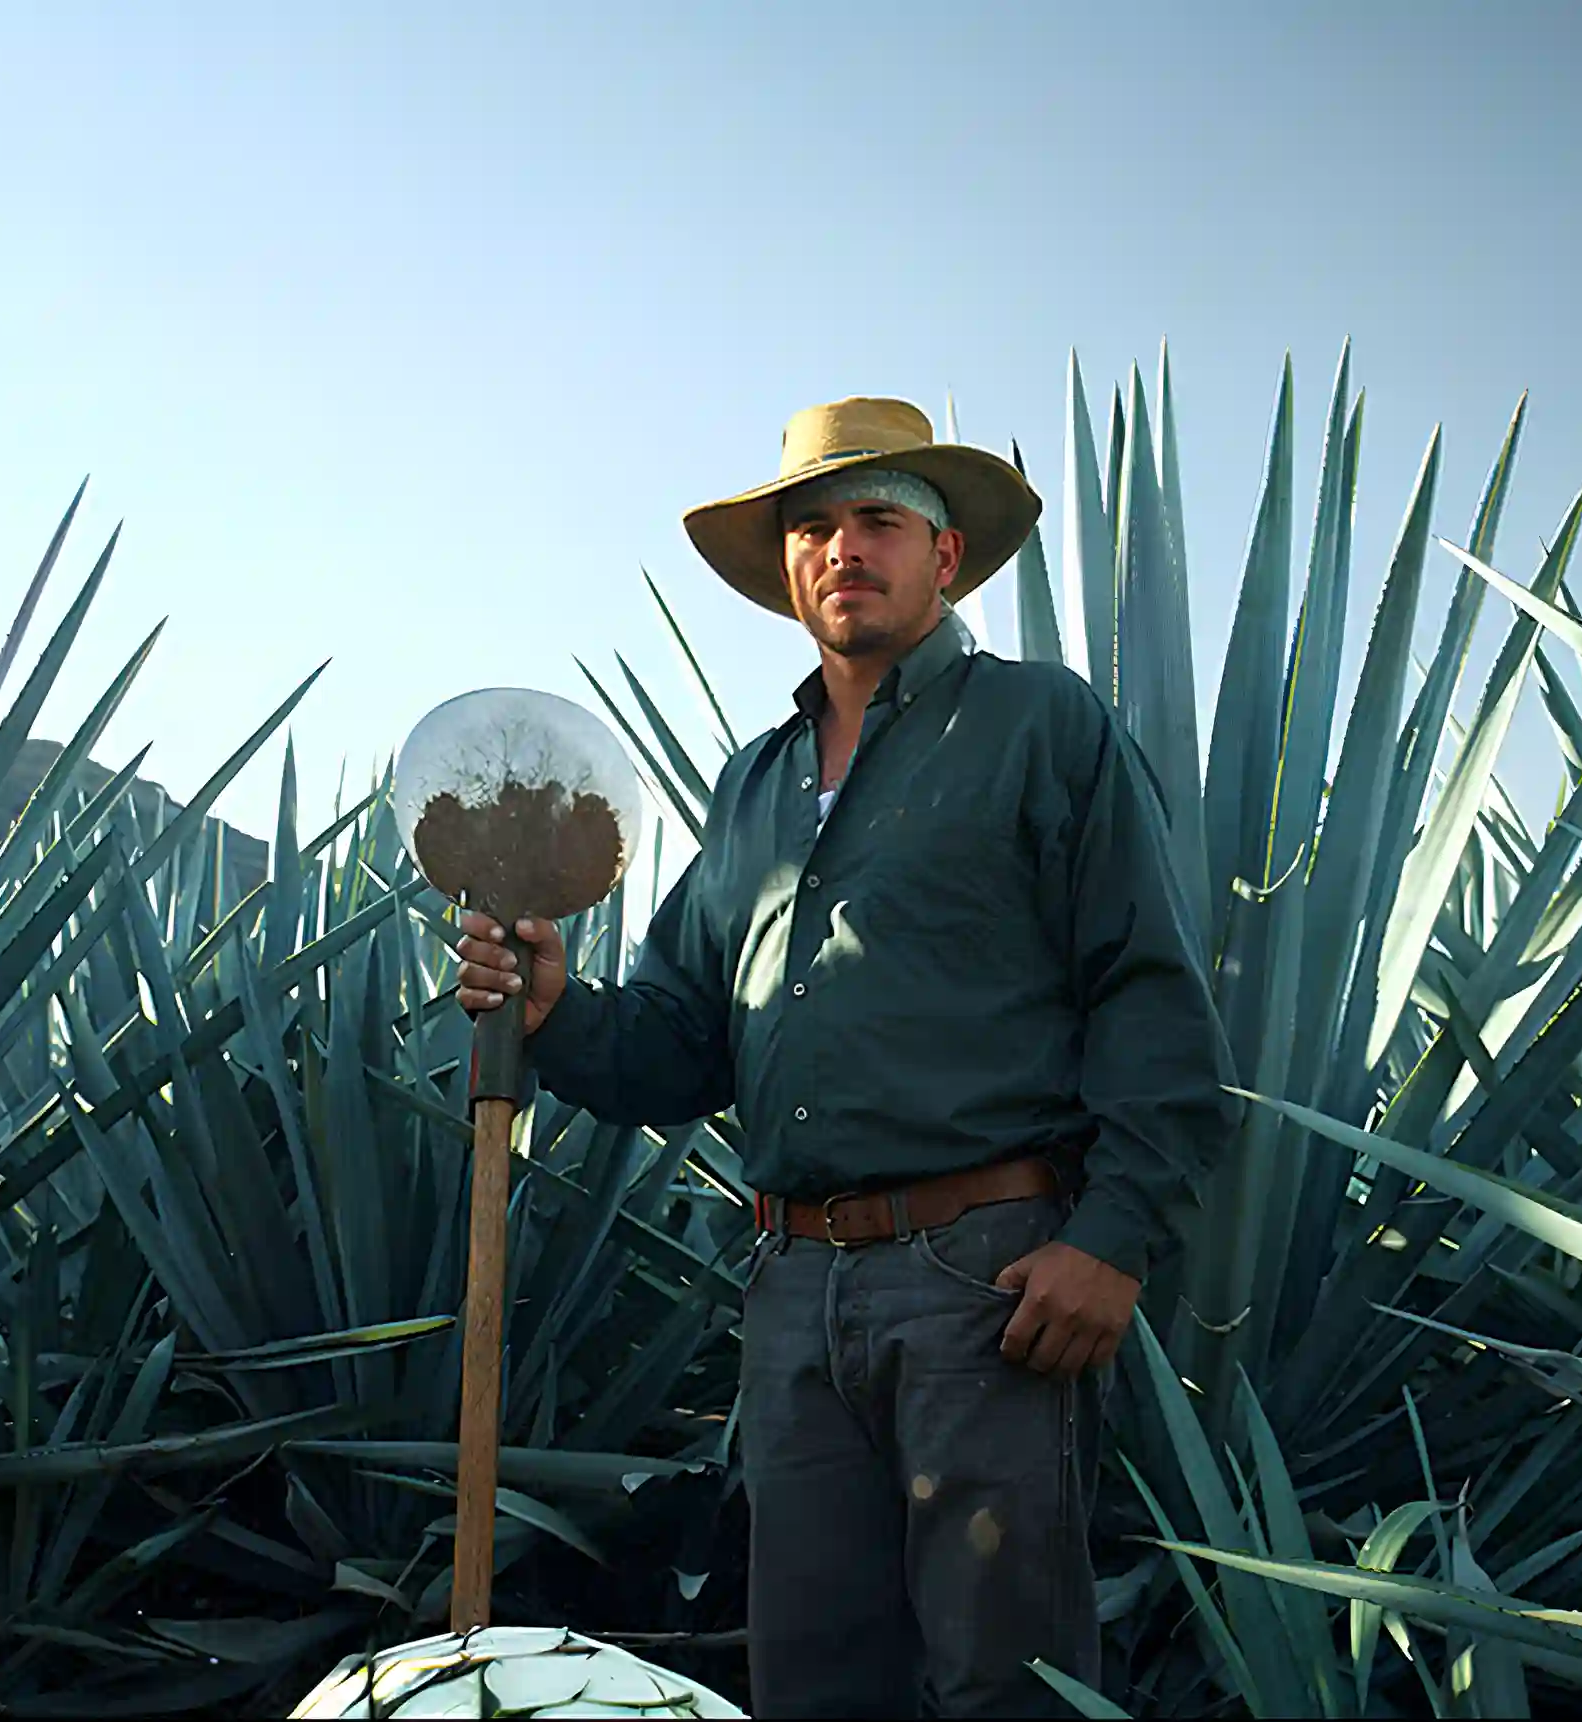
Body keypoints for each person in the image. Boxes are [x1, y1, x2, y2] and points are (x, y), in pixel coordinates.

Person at [453, 397, 1229, 1718]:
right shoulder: (749, 790)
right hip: (794, 1291)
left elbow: (1148, 990)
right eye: (814, 525)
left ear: (945, 557)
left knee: (1010, 1683)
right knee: (814, 1678)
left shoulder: (1045, 728)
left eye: (880, 519)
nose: (842, 547)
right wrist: (552, 1009)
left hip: (988, 1281)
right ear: (789, 569)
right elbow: (679, 1044)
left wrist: (1116, 1234)